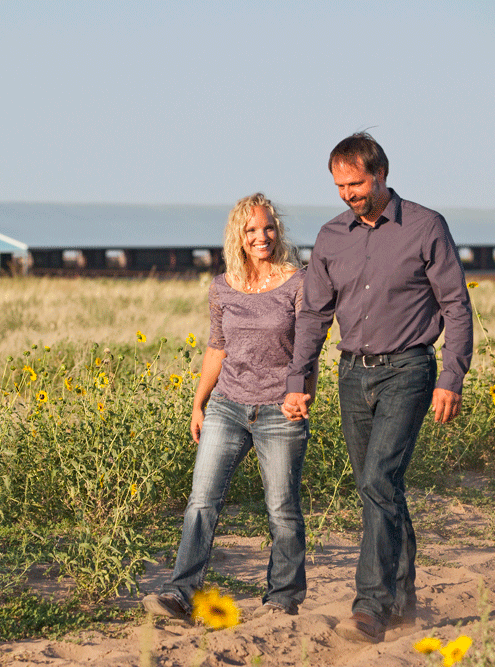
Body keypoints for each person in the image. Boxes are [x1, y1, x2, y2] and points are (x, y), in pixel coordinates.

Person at [282, 133, 473, 643]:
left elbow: (456, 305)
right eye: (340, 185)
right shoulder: (330, 237)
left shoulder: (426, 226)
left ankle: (371, 605)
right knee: (380, 488)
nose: (348, 193)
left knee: (377, 482)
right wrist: (298, 382)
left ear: (382, 173)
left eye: (357, 182)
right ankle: (405, 595)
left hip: (409, 371)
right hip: (352, 375)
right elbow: (315, 314)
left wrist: (451, 378)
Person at [143, 193, 318, 621]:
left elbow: (308, 350)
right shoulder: (222, 286)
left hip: (280, 409)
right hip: (227, 405)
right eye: (252, 230)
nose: (262, 237)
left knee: (282, 508)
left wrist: (302, 394)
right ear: (238, 236)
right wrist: (198, 403)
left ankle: (283, 598)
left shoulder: (298, 281)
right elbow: (217, 348)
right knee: (201, 501)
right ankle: (182, 592)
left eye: (268, 228)